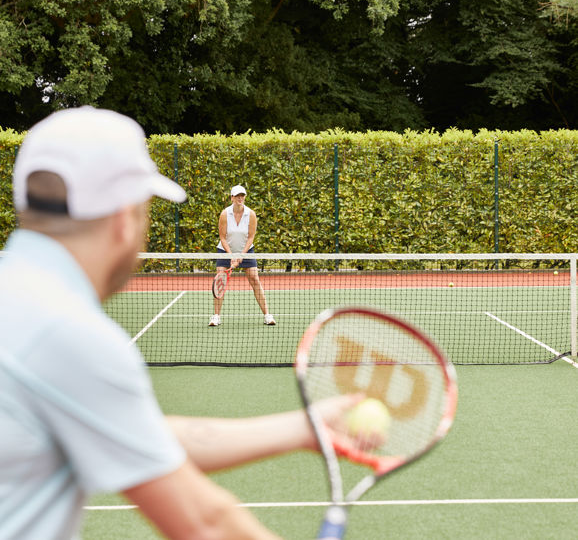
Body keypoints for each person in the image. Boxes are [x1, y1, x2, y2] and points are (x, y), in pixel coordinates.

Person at [0, 107, 361, 539]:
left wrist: (302, 428)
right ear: (124, 219)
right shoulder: (69, 336)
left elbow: (138, 432)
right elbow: (207, 522)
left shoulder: (23, 302)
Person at [209, 185, 276, 327]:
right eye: (237, 196)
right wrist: (231, 256)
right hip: (225, 251)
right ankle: (216, 316)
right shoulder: (224, 214)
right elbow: (222, 237)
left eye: (242, 195)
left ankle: (267, 315)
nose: (240, 198)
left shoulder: (251, 214)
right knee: (221, 281)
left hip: (246, 250)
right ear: (232, 198)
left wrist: (241, 255)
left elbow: (251, 237)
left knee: (255, 280)